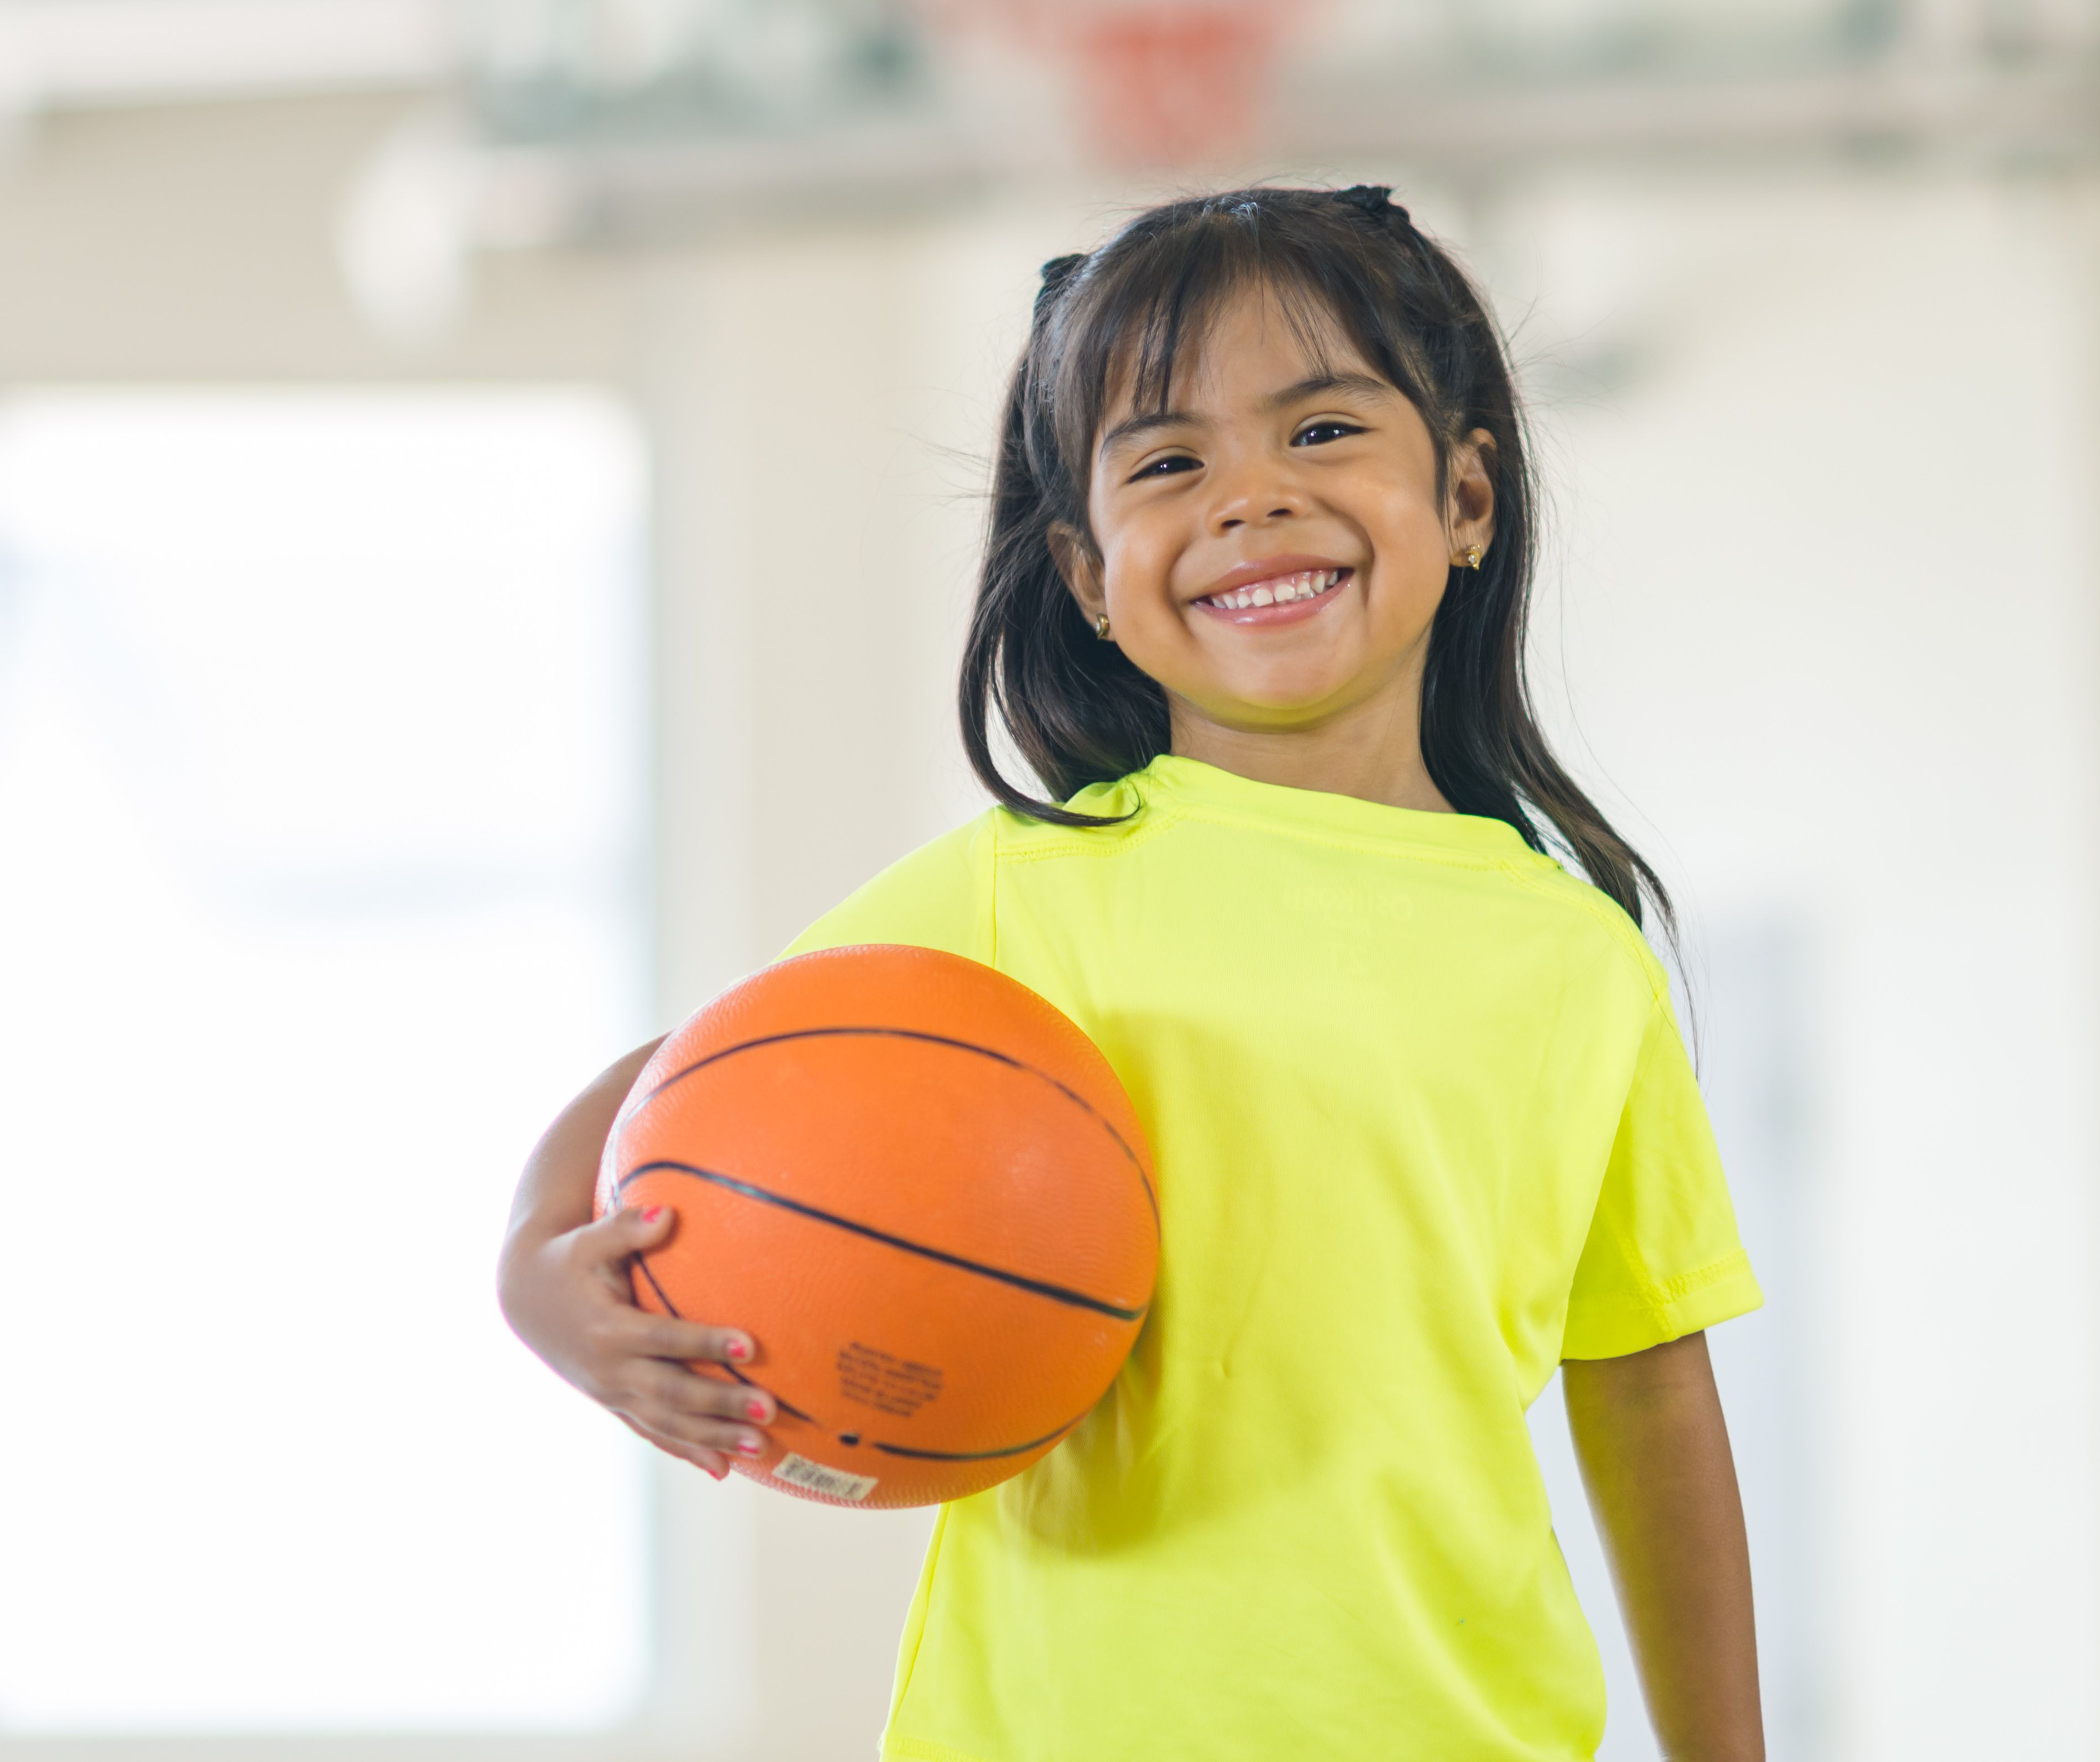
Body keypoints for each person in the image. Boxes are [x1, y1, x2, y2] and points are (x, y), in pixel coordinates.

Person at [498, 185, 1765, 1762]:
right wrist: (541, 1283)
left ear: (1463, 498)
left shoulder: (1572, 956)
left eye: (1317, 432)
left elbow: (1645, 1392)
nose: (1248, 500)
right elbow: (662, 1094)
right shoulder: (1023, 884)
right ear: (1090, 574)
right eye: (1168, 463)